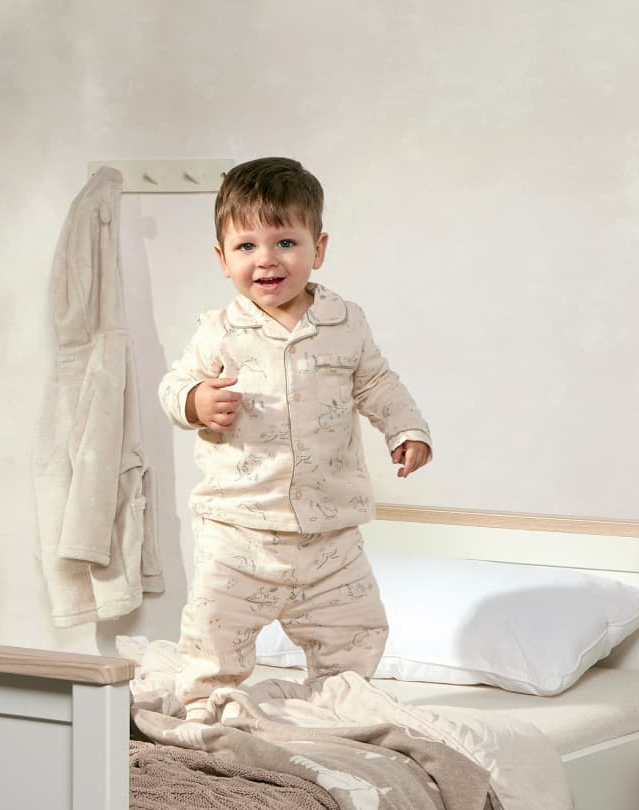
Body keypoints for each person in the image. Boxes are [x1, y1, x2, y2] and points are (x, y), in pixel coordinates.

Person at [158, 156, 432, 721]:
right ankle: (203, 708)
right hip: (239, 526)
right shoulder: (219, 330)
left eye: (285, 242)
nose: (266, 259)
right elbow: (174, 385)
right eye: (246, 246)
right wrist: (196, 400)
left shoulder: (344, 322)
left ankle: (341, 703)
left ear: (318, 249)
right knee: (214, 626)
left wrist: (405, 429)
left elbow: (377, 383)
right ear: (222, 259)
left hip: (329, 531)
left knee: (354, 628)